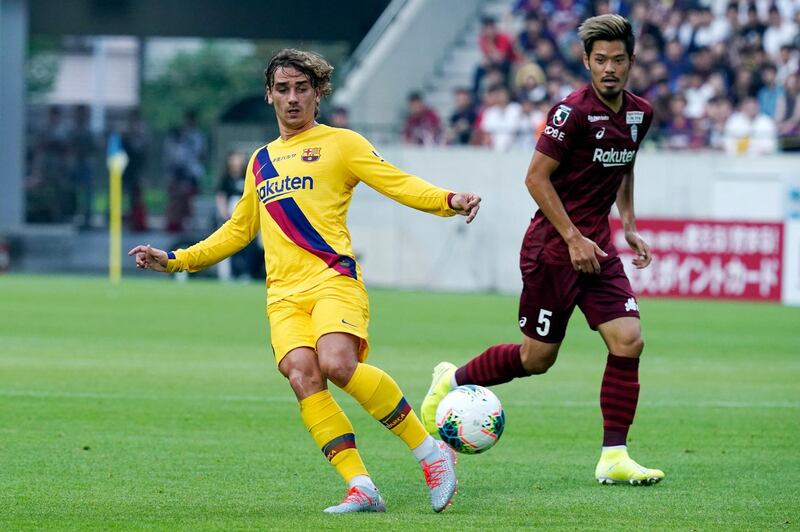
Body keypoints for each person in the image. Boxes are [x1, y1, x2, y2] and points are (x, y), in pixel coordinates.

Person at [129, 48, 481, 514]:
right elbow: (238, 230)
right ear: (270, 96)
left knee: (337, 363)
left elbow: (396, 182)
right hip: (284, 296)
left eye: (301, 88)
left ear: (318, 93)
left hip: (333, 279)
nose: (292, 98)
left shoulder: (342, 143)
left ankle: (432, 455)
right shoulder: (261, 162)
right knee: (302, 375)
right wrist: (174, 259)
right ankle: (361, 486)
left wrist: (448, 199)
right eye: (283, 89)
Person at [420, 14, 665, 486]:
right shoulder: (570, 113)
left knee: (629, 340)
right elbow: (535, 177)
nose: (609, 68)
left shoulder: (640, 113)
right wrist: (572, 236)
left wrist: (629, 225)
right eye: (600, 60)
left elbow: (624, 165)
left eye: (618, 60)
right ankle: (450, 380)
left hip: (597, 251)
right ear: (586, 62)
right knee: (537, 360)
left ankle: (614, 455)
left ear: (631, 61)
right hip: (553, 251)